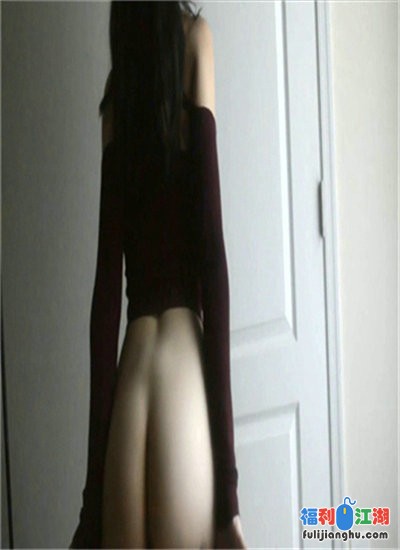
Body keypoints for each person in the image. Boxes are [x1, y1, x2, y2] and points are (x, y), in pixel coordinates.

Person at [70, 2, 247, 548]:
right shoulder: (196, 40)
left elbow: (106, 295)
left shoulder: (118, 92)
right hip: (180, 373)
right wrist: (229, 496)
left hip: (131, 381)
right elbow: (212, 257)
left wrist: (92, 502)